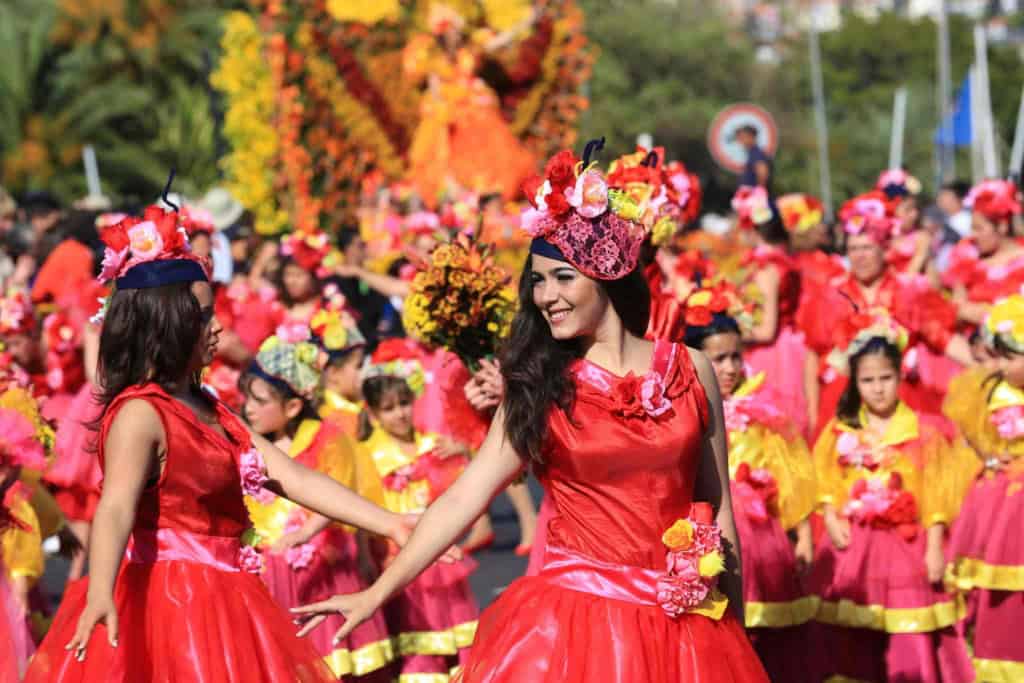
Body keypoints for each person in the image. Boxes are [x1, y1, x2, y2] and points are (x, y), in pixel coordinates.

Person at [293, 147, 769, 682]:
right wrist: (379, 591)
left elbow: (717, 506)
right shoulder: (540, 387)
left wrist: (735, 626)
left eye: (563, 279)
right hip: (578, 629)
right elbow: (462, 500)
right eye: (538, 282)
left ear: (606, 273)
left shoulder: (691, 369)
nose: (546, 296)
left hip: (687, 634)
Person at [23, 205, 423, 682]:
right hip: (174, 607)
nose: (218, 329)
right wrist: (102, 590)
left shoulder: (208, 404)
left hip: (229, 598)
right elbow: (114, 509)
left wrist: (391, 523)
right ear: (165, 324)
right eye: (204, 316)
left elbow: (292, 476)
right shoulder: (140, 413)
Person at [810, 320, 975, 682]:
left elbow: (937, 494)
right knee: (853, 637)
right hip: (855, 549)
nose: (878, 389)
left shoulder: (924, 432)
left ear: (899, 376)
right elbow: (824, 478)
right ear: (854, 382)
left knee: (908, 630)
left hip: (907, 546)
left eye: (885, 378)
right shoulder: (841, 431)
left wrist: (934, 547)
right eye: (868, 381)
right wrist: (830, 515)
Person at [241, 331, 395, 681]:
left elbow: (339, 491)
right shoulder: (248, 446)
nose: (248, 407)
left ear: (293, 406)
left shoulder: (326, 438)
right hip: (270, 571)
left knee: (332, 656)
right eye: (247, 398)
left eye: (259, 400)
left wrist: (307, 533)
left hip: (322, 566)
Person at [682, 292, 819, 682]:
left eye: (734, 357)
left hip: (764, 540)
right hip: (709, 537)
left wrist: (804, 533)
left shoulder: (761, 410)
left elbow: (788, 474)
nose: (728, 368)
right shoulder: (687, 410)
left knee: (769, 635)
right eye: (718, 358)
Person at [353, 346, 480, 682]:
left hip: (438, 553)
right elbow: (361, 511)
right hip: (397, 557)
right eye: (389, 409)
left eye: (405, 404)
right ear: (374, 414)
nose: (400, 414)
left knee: (453, 623)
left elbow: (465, 488)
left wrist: (461, 450)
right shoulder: (369, 455)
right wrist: (367, 556)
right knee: (415, 629)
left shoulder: (432, 443)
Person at [944, 295, 1024, 680]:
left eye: (1011, 358)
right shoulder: (990, 391)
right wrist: (990, 457)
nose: (1002, 367)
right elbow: (972, 430)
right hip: (1001, 501)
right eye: (1001, 357)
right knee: (996, 582)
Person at [733, 125, 772, 191]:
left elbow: (762, 173)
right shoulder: (751, 153)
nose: (740, 141)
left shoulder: (756, 153)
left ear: (751, 137)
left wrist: (759, 191)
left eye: (743, 137)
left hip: (755, 197)